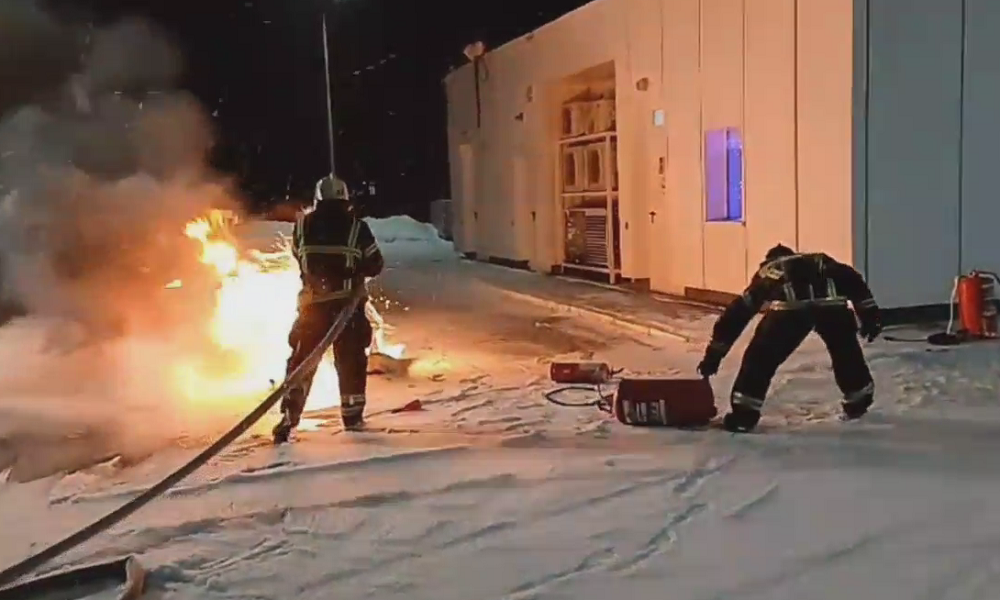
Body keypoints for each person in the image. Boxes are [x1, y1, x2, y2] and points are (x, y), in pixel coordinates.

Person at [696, 244, 883, 433]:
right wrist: (870, 316)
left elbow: (738, 313)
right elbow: (854, 282)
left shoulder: (771, 270)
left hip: (789, 310)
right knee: (846, 353)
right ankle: (858, 400)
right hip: (832, 307)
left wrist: (714, 355)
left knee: (760, 359)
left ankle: (744, 415)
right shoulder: (823, 262)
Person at [272, 174, 385, 443]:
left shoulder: (302, 226)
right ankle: (352, 417)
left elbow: (299, 255)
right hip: (347, 309)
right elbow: (375, 264)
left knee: (302, 361)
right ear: (345, 198)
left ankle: (290, 414)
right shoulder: (357, 228)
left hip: (312, 309)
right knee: (350, 361)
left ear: (318, 199)